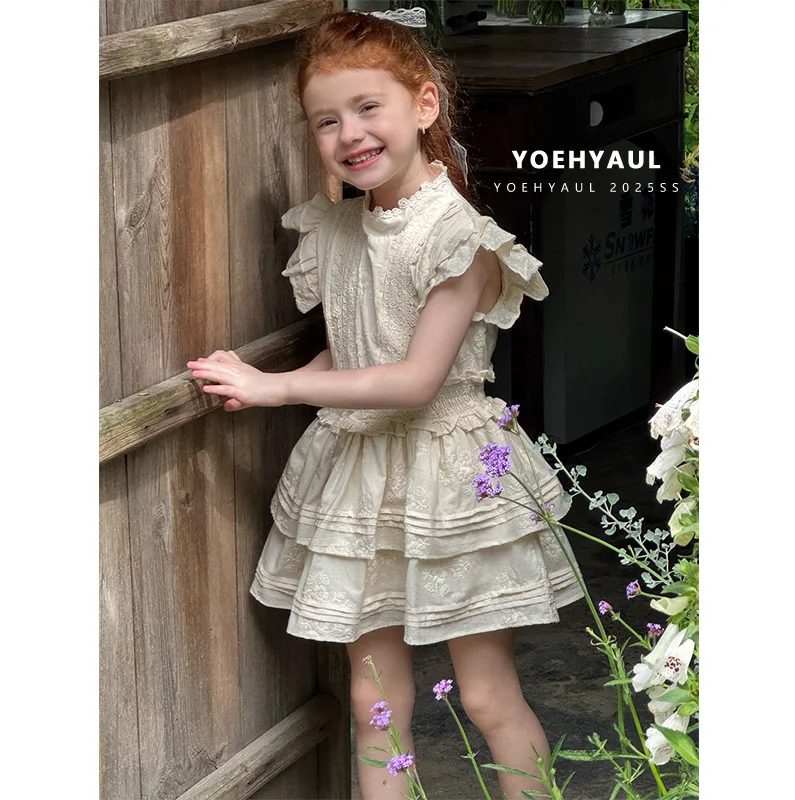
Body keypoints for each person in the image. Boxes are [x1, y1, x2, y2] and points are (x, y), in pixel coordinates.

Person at [187, 8, 584, 799]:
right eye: (326, 120)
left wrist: (280, 386)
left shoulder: (458, 237)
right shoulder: (340, 228)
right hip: (360, 479)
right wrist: (252, 382)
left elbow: (414, 380)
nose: (350, 134)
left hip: (452, 476)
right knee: (376, 707)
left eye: (369, 107)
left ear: (424, 105)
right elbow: (356, 348)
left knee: (486, 695)